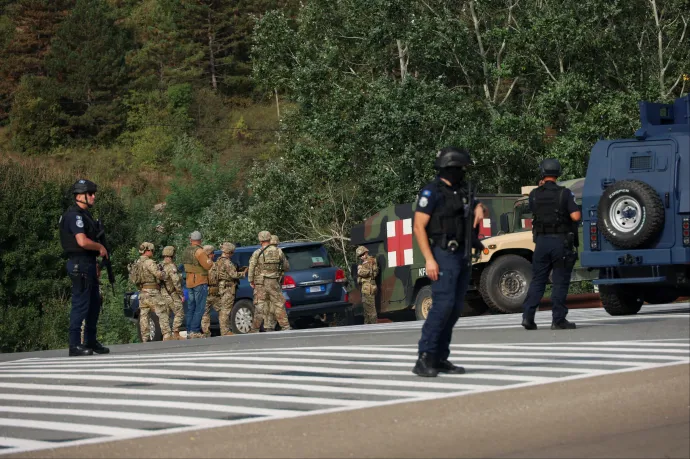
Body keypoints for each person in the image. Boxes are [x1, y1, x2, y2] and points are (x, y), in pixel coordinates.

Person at [411, 146, 485, 377]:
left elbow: (473, 206)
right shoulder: (431, 193)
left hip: (462, 254)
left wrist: (479, 207)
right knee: (442, 306)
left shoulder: (462, 191)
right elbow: (418, 226)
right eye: (461, 168)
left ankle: (440, 358)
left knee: (453, 309)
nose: (463, 172)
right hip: (443, 254)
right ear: (451, 168)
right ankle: (425, 357)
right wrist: (430, 260)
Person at [521, 158, 581, 330]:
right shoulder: (565, 193)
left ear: (542, 173)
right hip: (560, 242)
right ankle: (558, 319)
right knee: (560, 281)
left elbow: (534, 209)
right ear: (558, 173)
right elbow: (576, 217)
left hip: (541, 243)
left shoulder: (534, 194)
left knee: (538, 280)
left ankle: (528, 316)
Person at [59, 179, 110, 357]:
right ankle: (75, 345)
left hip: (87, 263)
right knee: (80, 304)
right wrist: (100, 248)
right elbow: (81, 241)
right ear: (80, 196)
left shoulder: (84, 215)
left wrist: (95, 262)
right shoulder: (75, 216)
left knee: (94, 304)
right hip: (79, 263)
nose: (94, 196)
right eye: (90, 194)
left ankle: (90, 340)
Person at [248, 231, 291, 333]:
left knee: (259, 305)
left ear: (260, 240)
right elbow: (286, 267)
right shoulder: (278, 251)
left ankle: (255, 329)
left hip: (260, 283)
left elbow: (251, 267)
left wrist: (251, 280)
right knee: (278, 304)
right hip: (273, 282)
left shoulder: (257, 252)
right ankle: (285, 327)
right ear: (269, 238)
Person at [129, 242, 168, 341]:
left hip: (142, 292)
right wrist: (164, 273)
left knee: (144, 315)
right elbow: (158, 275)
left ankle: (145, 338)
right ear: (148, 251)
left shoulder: (137, 263)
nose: (153, 252)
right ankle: (167, 335)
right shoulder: (149, 262)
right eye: (152, 250)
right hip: (152, 292)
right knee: (162, 310)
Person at [182, 231, 214, 339]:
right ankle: (194, 330)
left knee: (191, 307)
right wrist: (210, 260)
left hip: (189, 281)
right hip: (199, 281)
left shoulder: (186, 251)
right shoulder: (200, 251)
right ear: (200, 240)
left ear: (190, 239)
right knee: (199, 307)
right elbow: (207, 265)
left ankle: (189, 330)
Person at [214, 242, 246, 336]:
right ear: (229, 252)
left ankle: (224, 329)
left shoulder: (218, 261)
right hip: (228, 288)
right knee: (226, 310)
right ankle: (225, 331)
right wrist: (243, 273)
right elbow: (233, 275)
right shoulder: (227, 262)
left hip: (220, 287)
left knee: (222, 310)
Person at [161, 245, 185, 340]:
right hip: (172, 293)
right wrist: (181, 294)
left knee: (165, 314)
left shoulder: (160, 265)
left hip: (162, 293)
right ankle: (176, 332)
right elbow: (175, 281)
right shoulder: (171, 266)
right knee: (179, 312)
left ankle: (166, 335)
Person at [356, 246, 378, 324]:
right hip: (366, 288)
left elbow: (365, 272)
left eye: (362, 254)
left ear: (366, 252)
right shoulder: (366, 262)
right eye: (360, 256)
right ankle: (367, 327)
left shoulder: (369, 261)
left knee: (371, 310)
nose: (361, 257)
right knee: (366, 311)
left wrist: (360, 269)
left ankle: (373, 326)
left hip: (368, 288)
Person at [201, 245, 218, 337]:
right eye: (212, 253)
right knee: (206, 313)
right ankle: (206, 332)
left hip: (213, 291)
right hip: (207, 291)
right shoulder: (207, 265)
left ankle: (207, 332)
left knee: (206, 313)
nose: (213, 255)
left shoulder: (213, 264)